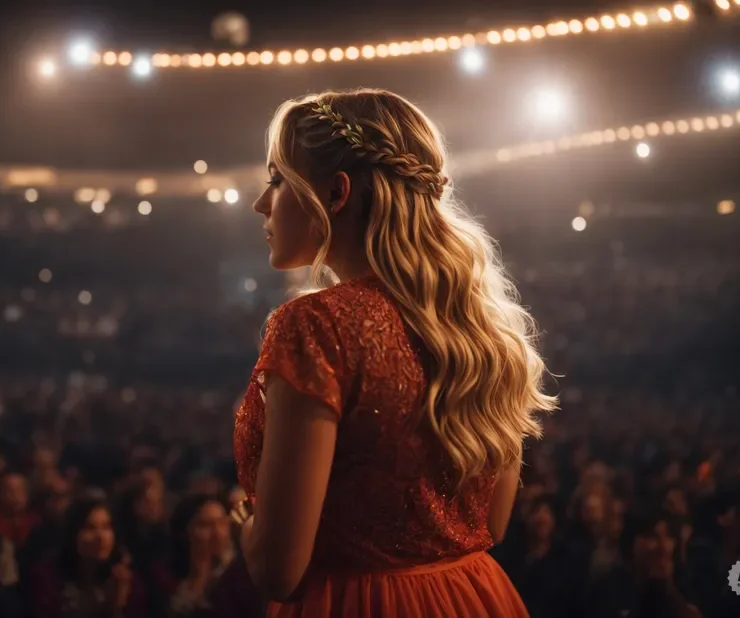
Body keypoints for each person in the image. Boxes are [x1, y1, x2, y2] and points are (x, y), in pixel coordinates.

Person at [232, 89, 557, 617]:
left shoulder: (315, 326)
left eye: (276, 179)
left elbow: (279, 571)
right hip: (475, 598)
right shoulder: (482, 329)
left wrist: (246, 526)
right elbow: (489, 526)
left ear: (335, 193)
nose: (261, 203)